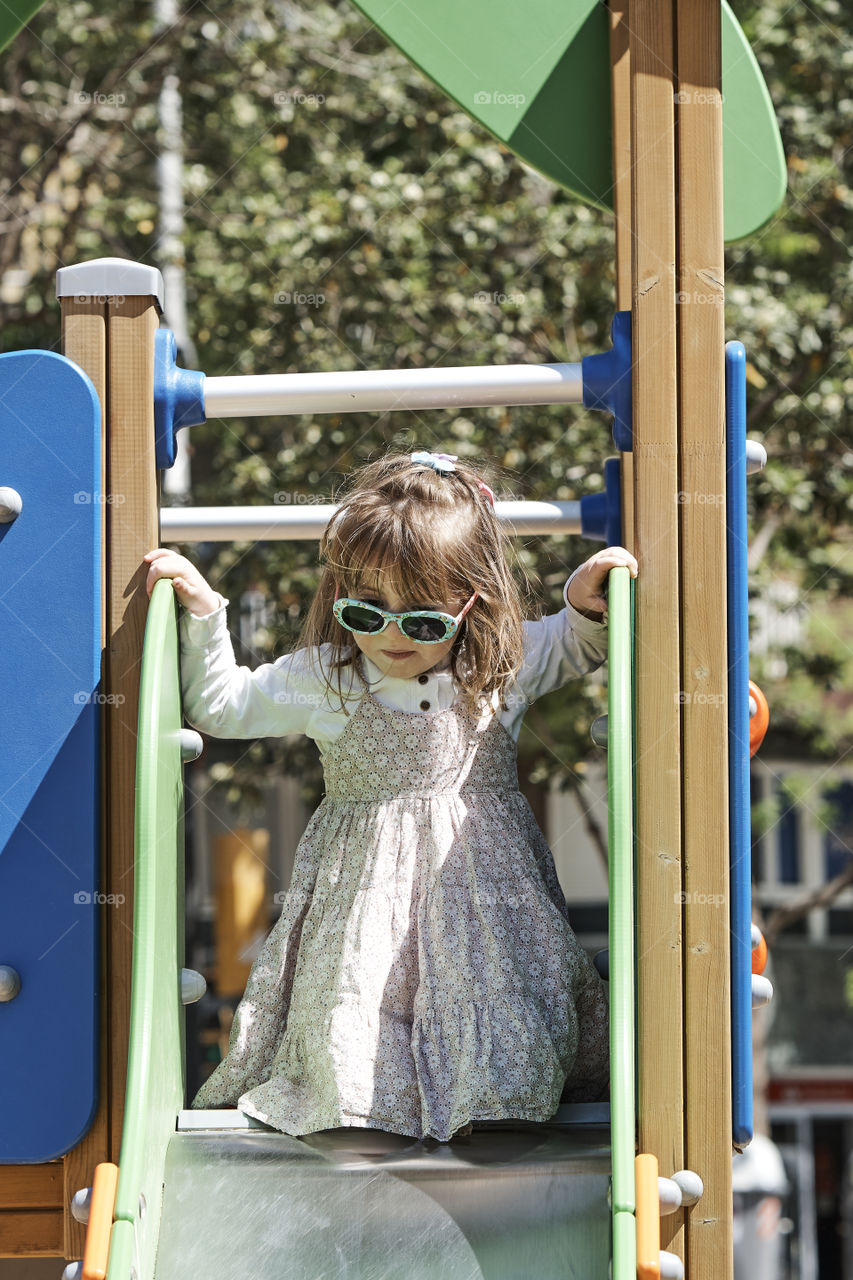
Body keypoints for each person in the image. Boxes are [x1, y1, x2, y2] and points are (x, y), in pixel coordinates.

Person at [143, 450, 638, 1143]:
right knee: (360, 994)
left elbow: (572, 644)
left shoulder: (498, 666)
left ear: (471, 606)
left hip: (482, 889)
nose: (390, 636)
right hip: (364, 890)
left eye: (424, 621)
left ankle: (490, 1117)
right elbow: (224, 707)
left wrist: (584, 600)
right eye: (365, 611)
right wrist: (203, 612)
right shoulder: (330, 679)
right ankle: (362, 1121)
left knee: (496, 997)